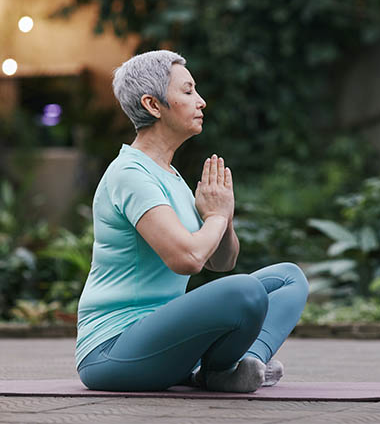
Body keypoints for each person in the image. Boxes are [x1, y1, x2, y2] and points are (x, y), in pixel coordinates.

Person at [75, 50, 309, 393]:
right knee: (244, 291)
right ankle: (217, 371)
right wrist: (214, 216)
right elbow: (187, 259)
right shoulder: (130, 174)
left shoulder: (169, 175)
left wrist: (224, 216)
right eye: (187, 91)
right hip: (113, 350)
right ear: (153, 105)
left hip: (163, 343)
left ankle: (239, 367)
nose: (201, 102)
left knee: (288, 278)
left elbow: (221, 261)